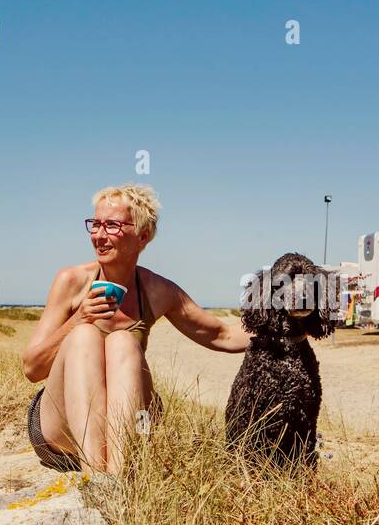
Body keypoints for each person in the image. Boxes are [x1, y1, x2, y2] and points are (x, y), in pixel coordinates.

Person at [22, 184, 250, 476]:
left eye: (112, 225)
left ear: (143, 237)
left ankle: (115, 482)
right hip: (62, 433)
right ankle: (96, 477)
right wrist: (78, 319)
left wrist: (295, 320)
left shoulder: (156, 290)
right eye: (95, 224)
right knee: (84, 336)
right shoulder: (71, 281)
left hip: (131, 430)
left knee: (122, 343)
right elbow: (32, 368)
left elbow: (223, 335)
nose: (99, 235)